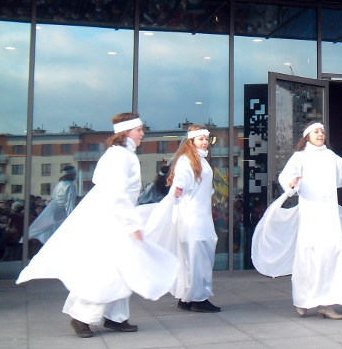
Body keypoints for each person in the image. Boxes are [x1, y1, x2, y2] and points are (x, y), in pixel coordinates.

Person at [16, 113, 178, 339]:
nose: (143, 133)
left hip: (116, 219)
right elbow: (117, 194)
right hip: (112, 222)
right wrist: (131, 224)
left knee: (123, 269)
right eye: (139, 130)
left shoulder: (121, 154)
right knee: (105, 270)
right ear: (127, 132)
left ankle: (115, 317)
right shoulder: (120, 156)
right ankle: (82, 317)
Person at [251, 122, 342, 320]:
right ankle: (303, 301)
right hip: (310, 215)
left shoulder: (331, 157)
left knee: (331, 255)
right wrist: (290, 182)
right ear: (307, 136)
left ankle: (327, 304)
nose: (320, 134)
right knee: (308, 258)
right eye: (316, 131)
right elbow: (287, 176)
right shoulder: (300, 157)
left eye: (322, 131)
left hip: (329, 216)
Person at [145, 126, 220, 313]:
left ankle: (187, 297)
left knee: (192, 259)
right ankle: (199, 298)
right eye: (200, 139)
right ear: (191, 141)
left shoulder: (200, 160)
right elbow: (182, 179)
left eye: (206, 139)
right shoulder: (188, 160)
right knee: (199, 259)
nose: (205, 142)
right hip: (194, 219)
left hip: (198, 217)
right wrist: (178, 188)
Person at [27, 165, 78, 244]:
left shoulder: (60, 184)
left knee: (53, 229)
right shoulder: (70, 185)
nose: (76, 175)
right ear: (71, 174)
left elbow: (54, 196)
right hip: (63, 212)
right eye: (74, 173)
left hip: (55, 210)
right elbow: (69, 203)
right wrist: (71, 217)